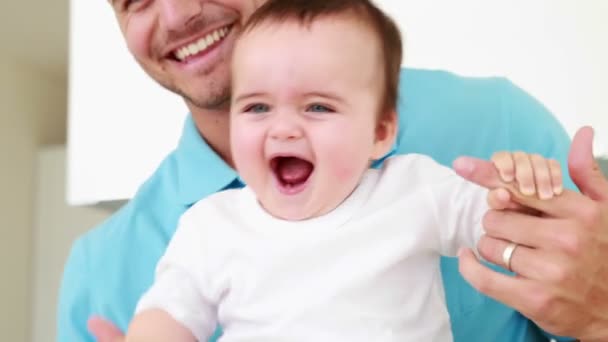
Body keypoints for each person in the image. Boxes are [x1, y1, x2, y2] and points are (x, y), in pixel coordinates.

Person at [59, 0, 608, 341]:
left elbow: (502, 216)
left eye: (319, 106)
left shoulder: (459, 155)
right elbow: (170, 310)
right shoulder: (187, 235)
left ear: (382, 132)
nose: (177, 14)